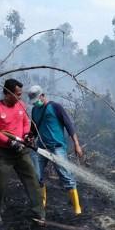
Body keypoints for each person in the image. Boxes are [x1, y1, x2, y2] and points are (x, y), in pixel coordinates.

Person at [0, 78, 45, 223]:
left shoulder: (21, 105)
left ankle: (38, 213)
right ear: (7, 93)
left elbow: (26, 123)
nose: (20, 97)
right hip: (3, 154)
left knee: (32, 180)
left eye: (20, 94)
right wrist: (10, 142)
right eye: (17, 94)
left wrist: (26, 135)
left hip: (21, 152)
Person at [27, 85, 84, 215]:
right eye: (34, 101)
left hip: (57, 148)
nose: (36, 102)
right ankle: (42, 205)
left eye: (37, 99)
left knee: (66, 176)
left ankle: (77, 208)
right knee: (37, 176)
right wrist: (29, 137)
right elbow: (33, 129)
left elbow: (69, 125)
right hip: (41, 148)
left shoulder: (56, 107)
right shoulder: (35, 110)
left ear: (42, 95)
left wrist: (76, 144)